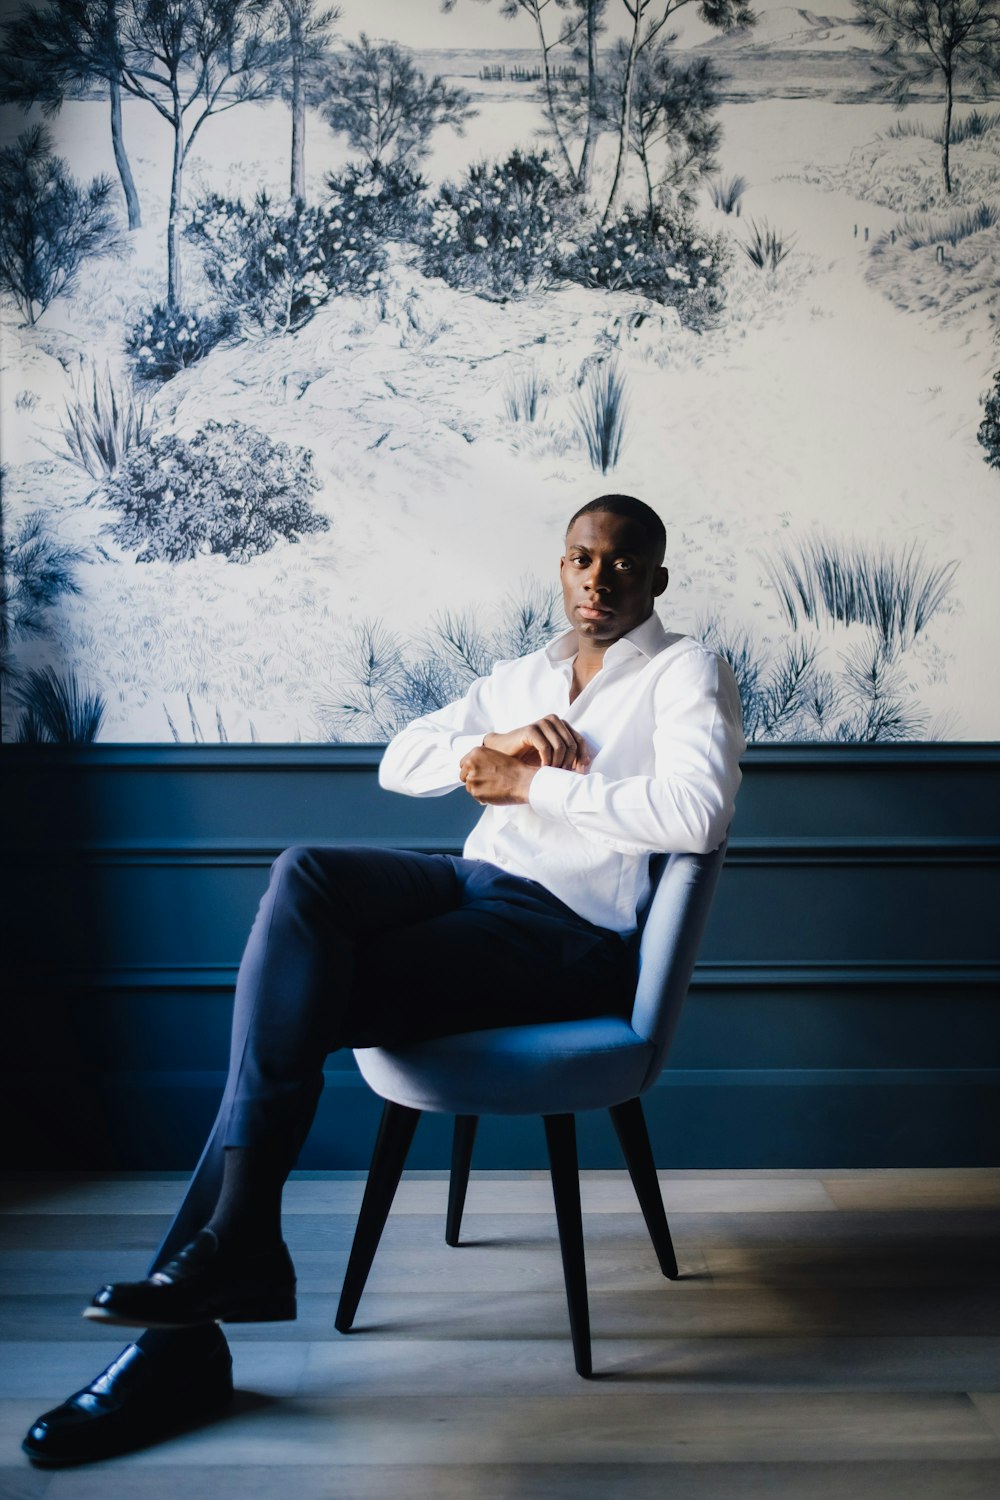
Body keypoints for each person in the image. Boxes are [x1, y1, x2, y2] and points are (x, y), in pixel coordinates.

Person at [22, 493, 745, 1466]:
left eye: (621, 563)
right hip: (476, 887)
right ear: (560, 566)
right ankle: (232, 1257)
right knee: (306, 873)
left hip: (566, 932)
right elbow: (397, 760)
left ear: (654, 577)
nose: (596, 578)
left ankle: (193, 1321)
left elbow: (695, 813)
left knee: (281, 1015)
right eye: (580, 558)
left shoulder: (684, 671)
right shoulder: (526, 673)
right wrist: (488, 751)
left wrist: (538, 785)